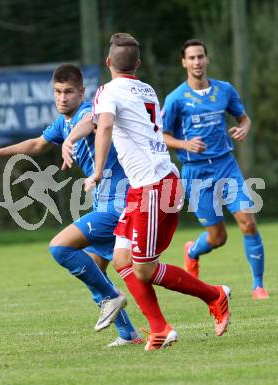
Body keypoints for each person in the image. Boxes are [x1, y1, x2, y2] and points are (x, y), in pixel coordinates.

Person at [0, 64, 141, 347]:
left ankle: (120, 298)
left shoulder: (87, 112)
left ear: (82, 92)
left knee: (60, 247)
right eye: (58, 92)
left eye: (69, 91)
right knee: (95, 267)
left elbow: (92, 123)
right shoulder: (63, 122)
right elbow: (36, 145)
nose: (62, 98)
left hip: (121, 200)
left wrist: (71, 139)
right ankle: (128, 334)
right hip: (104, 199)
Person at [84, 33, 231, 351]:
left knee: (144, 268)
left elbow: (105, 125)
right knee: (122, 258)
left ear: (108, 62)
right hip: (148, 184)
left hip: (154, 186)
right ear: (137, 64)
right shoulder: (146, 89)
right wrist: (72, 138)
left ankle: (214, 295)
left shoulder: (106, 92)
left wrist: (96, 171)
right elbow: (102, 123)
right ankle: (159, 328)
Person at [162, 39, 269, 300]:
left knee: (248, 223)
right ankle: (192, 251)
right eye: (192, 58)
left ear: (207, 59)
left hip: (226, 166)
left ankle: (258, 285)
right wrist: (184, 143)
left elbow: (243, 118)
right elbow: (161, 136)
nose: (197, 62)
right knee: (218, 237)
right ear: (184, 62)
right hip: (195, 173)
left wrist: (243, 128)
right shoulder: (176, 99)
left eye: (201, 56)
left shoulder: (224, 90)